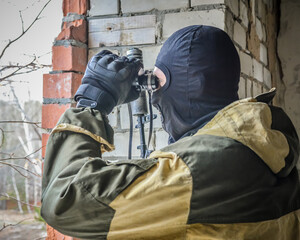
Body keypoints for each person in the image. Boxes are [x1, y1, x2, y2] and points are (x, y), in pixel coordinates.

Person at [41, 25, 300, 239]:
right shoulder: (262, 141)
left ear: (193, 86)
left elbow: (64, 203)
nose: (154, 98)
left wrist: (92, 101)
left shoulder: (200, 168)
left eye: (159, 82)